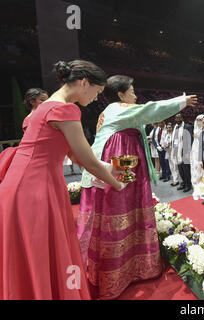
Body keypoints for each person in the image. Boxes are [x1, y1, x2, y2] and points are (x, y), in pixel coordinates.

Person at [0, 60, 126, 299]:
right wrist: (117, 183)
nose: (96, 98)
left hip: (24, 183)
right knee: (41, 250)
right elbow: (85, 158)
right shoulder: (66, 109)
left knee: (31, 252)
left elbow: (70, 153)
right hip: (34, 187)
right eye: (97, 92)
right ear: (84, 83)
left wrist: (109, 169)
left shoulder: (44, 107)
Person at [77, 75, 197, 299]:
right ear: (121, 94)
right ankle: (120, 270)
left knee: (128, 210)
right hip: (121, 160)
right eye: (131, 91)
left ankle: (130, 265)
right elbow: (150, 110)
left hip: (122, 159)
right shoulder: (119, 109)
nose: (135, 95)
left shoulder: (111, 111)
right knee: (121, 208)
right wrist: (180, 101)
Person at [0, 88, 48, 182]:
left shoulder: (43, 115)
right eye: (42, 100)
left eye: (47, 100)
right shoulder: (29, 119)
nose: (46, 103)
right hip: (36, 157)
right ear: (32, 102)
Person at [172, 113, 193, 192]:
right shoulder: (175, 127)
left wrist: (188, 152)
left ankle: (188, 185)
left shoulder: (187, 127)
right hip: (177, 151)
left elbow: (190, 139)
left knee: (186, 170)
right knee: (180, 169)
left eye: (179, 118)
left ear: (182, 118)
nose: (177, 119)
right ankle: (184, 183)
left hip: (185, 151)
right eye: (176, 118)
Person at [190, 114, 204, 200]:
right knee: (195, 169)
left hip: (203, 152)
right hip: (195, 152)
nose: (199, 122)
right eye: (197, 120)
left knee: (202, 170)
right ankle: (196, 186)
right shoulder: (195, 130)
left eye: (200, 120)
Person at [163, 122, 180, 186]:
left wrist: (170, 145)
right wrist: (165, 145)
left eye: (169, 127)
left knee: (175, 166)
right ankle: (174, 179)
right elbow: (164, 143)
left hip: (173, 152)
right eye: (167, 128)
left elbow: (176, 144)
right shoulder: (166, 135)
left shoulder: (174, 135)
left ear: (172, 128)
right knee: (171, 166)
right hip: (168, 152)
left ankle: (176, 180)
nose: (168, 129)